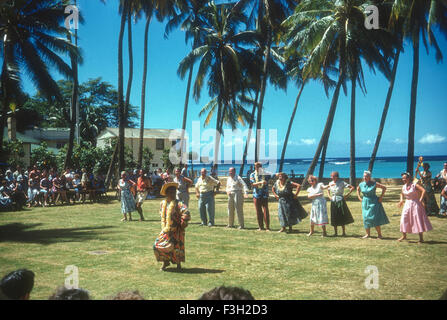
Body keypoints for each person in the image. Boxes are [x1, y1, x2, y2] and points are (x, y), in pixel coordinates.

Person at [154, 182, 191, 271]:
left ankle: (178, 265)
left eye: (174, 192)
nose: (172, 194)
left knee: (176, 247)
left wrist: (183, 223)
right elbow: (162, 213)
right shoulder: (163, 203)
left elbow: (186, 212)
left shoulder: (179, 203)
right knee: (157, 245)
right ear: (166, 193)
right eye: (170, 192)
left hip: (176, 230)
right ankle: (165, 262)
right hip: (165, 229)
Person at [397, 172, 433, 243]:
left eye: (405, 178)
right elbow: (402, 194)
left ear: (409, 178)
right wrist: (401, 200)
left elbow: (423, 190)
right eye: (402, 178)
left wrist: (421, 199)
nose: (403, 179)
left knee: (417, 219)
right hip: (407, 204)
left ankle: (421, 238)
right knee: (404, 218)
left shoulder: (414, 185)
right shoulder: (404, 186)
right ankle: (404, 235)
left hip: (415, 204)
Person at [357, 171, 389, 239]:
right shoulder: (361, 184)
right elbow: (358, 190)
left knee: (374, 218)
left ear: (370, 177)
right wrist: (359, 197)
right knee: (365, 218)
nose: (365, 177)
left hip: (373, 202)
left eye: (366, 176)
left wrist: (381, 197)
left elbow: (384, 188)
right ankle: (367, 234)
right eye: (364, 176)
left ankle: (379, 235)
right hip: (365, 202)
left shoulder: (374, 183)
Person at [327, 171, 355, 236]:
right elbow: (328, 190)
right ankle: (335, 232)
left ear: (337, 176)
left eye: (333, 176)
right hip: (333, 201)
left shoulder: (342, 182)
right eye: (331, 176)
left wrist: (347, 195)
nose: (332, 177)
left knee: (341, 216)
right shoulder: (330, 183)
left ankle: (343, 232)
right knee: (334, 216)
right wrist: (329, 197)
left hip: (340, 200)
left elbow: (352, 187)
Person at [250, 162, 271, 231]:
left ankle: (267, 227)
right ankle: (260, 227)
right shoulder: (252, 174)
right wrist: (260, 182)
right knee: (258, 211)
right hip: (256, 195)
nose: (257, 168)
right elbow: (252, 184)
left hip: (264, 194)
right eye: (256, 166)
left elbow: (271, 178)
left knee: (266, 210)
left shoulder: (266, 174)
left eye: (259, 166)